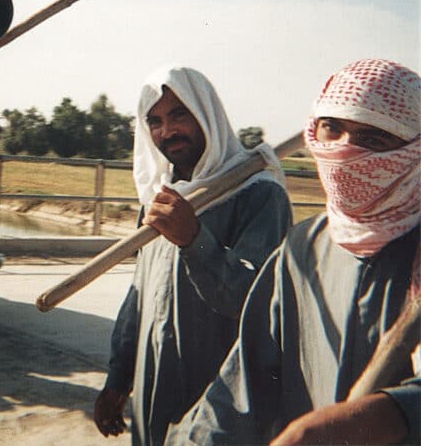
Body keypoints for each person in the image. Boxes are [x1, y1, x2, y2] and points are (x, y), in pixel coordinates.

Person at [167, 59, 420, 445]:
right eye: (332, 129)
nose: (344, 151)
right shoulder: (303, 248)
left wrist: (389, 414)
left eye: (373, 138)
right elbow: (244, 384)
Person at [94, 65, 292, 446]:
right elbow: (139, 296)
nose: (166, 132)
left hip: (221, 400)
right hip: (154, 393)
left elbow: (254, 301)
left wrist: (194, 240)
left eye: (179, 114)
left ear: (206, 113)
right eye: (155, 120)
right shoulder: (159, 200)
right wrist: (118, 378)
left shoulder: (258, 193)